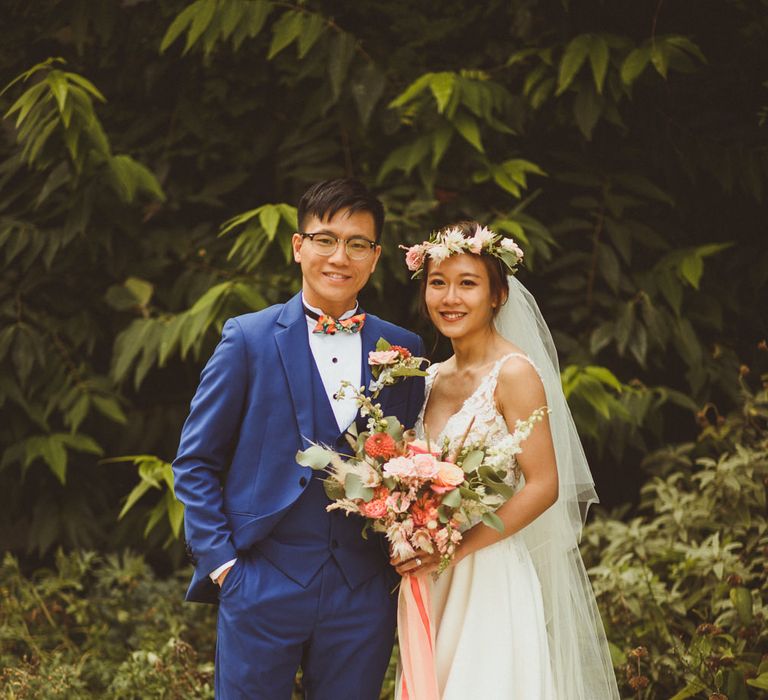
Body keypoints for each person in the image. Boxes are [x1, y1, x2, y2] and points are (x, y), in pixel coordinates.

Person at [172, 178, 426, 699]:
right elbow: (195, 461)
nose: (341, 256)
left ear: (375, 257)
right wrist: (224, 568)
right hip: (260, 581)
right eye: (326, 239)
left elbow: (412, 460)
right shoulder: (248, 338)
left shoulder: (403, 348)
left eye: (358, 243)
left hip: (362, 591)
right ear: (298, 246)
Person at [394, 222, 620, 699]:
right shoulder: (429, 378)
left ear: (497, 294)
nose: (450, 297)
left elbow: (543, 485)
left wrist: (453, 549)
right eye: (438, 283)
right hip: (430, 575)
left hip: (489, 572)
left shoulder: (514, 373)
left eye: (467, 283)